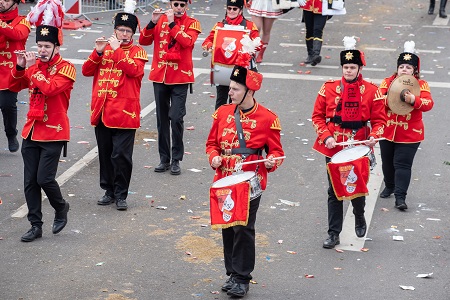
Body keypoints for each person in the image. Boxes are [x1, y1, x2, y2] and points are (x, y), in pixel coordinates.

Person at [206, 64, 284, 297]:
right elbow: (211, 144)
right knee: (228, 226)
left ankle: (242, 277)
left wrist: (271, 161)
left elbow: (277, 152)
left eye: (236, 89)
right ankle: (232, 273)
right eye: (230, 88)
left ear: (249, 92)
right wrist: (214, 158)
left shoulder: (267, 118)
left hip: (250, 182)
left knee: (244, 228)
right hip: (225, 178)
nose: (230, 92)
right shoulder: (222, 113)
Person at [311, 36, 386, 249]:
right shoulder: (329, 88)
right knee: (333, 189)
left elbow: (379, 120)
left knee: (356, 185)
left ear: (359, 68)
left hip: (359, 145)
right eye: (345, 67)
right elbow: (317, 117)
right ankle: (333, 233)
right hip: (334, 145)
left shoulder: (372, 90)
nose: (348, 71)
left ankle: (359, 215)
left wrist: (374, 136)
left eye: (352, 67)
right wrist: (327, 137)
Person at [9, 0, 75, 242]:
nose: (42, 50)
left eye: (47, 46)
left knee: (44, 178)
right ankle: (35, 225)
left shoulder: (67, 69)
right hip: (31, 131)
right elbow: (15, 86)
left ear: (56, 47)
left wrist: (34, 68)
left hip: (54, 132)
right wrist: (20, 66)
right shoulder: (34, 66)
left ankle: (60, 207)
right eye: (39, 45)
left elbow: (49, 89)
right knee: (29, 182)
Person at [82, 0, 148, 211]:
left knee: (121, 156)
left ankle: (121, 194)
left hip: (125, 114)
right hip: (102, 111)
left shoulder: (138, 51)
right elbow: (86, 71)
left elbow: (135, 72)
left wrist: (118, 50)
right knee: (105, 153)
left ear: (133, 33)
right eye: (120, 30)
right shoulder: (105, 48)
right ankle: (108, 190)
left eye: (128, 31)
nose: (124, 34)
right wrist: (98, 53)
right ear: (115, 30)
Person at [139, 0, 201, 175]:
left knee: (176, 118)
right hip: (160, 75)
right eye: (176, 4)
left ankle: (176, 159)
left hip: (181, 77)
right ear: (171, 5)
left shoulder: (192, 23)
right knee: (162, 120)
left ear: (186, 7)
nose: (179, 8)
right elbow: (144, 40)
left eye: (182, 5)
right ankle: (164, 159)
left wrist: (173, 22)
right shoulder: (160, 19)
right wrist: (152, 21)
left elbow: (187, 42)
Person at [378, 41, 434, 210]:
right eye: (402, 66)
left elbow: (428, 104)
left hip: (410, 133)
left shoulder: (421, 84)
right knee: (387, 162)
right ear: (397, 68)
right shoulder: (388, 81)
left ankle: (400, 197)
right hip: (388, 130)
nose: (404, 69)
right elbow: (378, 100)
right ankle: (389, 185)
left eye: (408, 67)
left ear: (414, 70)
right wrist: (391, 98)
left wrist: (413, 100)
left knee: (402, 164)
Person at [202, 0, 260, 109]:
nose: (231, 11)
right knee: (221, 100)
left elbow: (258, 44)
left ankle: (234, 124)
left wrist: (250, 47)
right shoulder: (219, 26)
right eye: (229, 8)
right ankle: (219, 124)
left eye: (235, 9)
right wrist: (211, 47)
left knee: (237, 101)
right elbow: (207, 42)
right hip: (222, 68)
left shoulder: (249, 26)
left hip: (240, 68)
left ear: (241, 10)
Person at [0, 0, 30, 152]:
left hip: (10, 73)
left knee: (7, 105)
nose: (1, 2)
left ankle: (11, 134)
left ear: (15, 3)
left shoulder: (23, 21)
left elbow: (17, 34)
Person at [298, 0, 329, 66]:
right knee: (309, 31)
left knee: (318, 30)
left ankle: (316, 55)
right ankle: (310, 54)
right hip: (308, 4)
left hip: (322, 5)